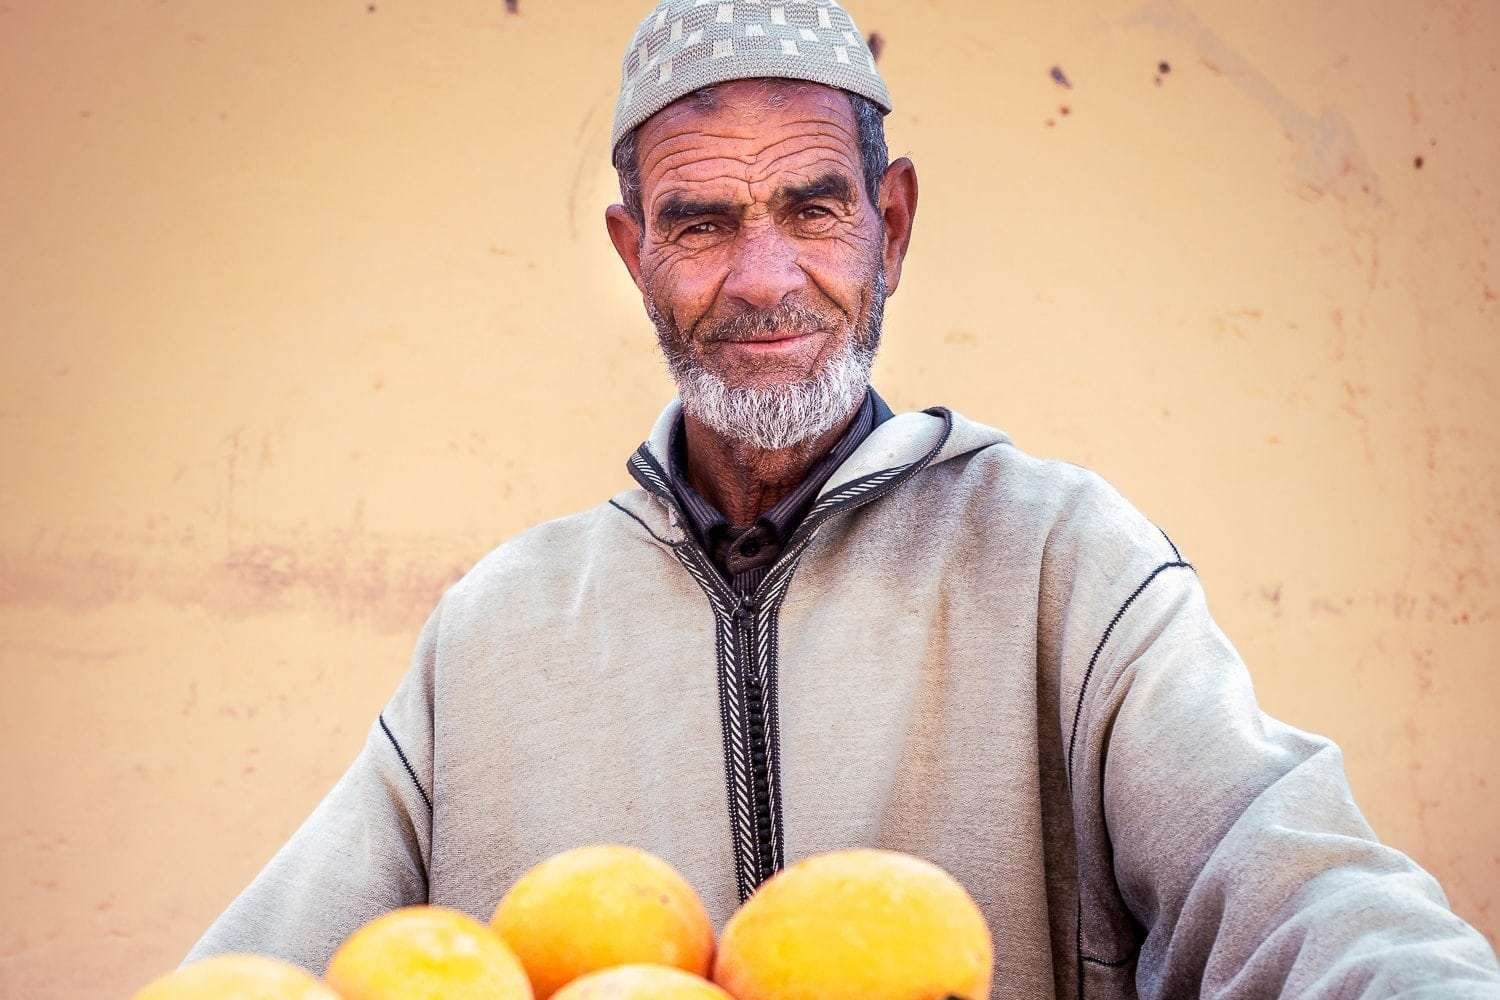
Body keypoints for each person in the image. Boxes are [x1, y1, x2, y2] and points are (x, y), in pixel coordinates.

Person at [186, 1, 1500, 996]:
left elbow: (1297, 887)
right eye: (701, 223)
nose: (764, 279)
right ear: (634, 251)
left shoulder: (1064, 561)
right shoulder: (496, 632)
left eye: (813, 211)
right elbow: (271, 969)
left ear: (894, 224)